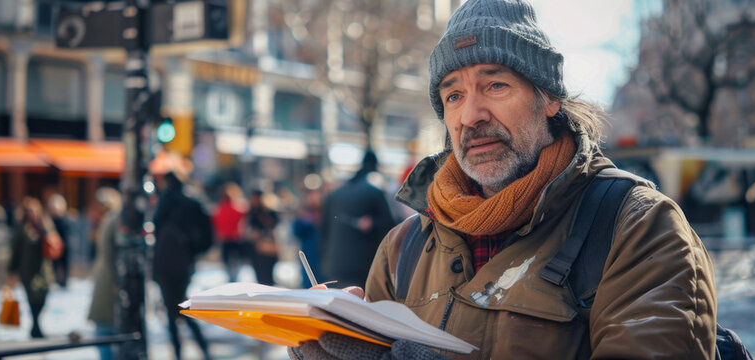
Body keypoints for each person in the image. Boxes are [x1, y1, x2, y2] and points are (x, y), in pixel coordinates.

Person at [290, 0, 717, 358]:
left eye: (495, 85)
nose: (470, 115)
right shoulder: (403, 248)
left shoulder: (637, 227)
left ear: (549, 98)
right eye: (453, 95)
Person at [151, 172, 211, 360]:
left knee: (174, 308)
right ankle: (201, 347)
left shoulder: (166, 202)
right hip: (184, 262)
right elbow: (205, 236)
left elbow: (155, 227)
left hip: (165, 262)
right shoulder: (192, 203)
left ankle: (180, 351)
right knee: (179, 305)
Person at [319, 150, 397, 288]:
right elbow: (390, 226)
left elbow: (324, 231)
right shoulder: (374, 193)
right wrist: (372, 223)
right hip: (362, 266)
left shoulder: (334, 195)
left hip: (335, 264)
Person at [5, 197, 59, 338]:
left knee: (43, 297)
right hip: (27, 270)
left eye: (33, 210)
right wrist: (12, 271)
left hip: (44, 270)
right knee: (32, 299)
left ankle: (36, 324)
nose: (31, 213)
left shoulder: (46, 225)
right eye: (28, 211)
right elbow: (15, 251)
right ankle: (35, 326)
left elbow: (54, 243)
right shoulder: (22, 228)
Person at [86, 187, 123, 360]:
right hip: (106, 280)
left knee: (104, 329)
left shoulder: (111, 221)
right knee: (106, 329)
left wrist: (115, 281)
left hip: (108, 282)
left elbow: (109, 256)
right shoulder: (110, 221)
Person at [212, 182, 248, 282]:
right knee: (236, 263)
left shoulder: (219, 209)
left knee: (228, 263)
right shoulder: (238, 208)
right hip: (236, 239)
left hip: (225, 239)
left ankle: (232, 279)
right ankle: (234, 279)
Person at [245, 189, 279, 285]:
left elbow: (275, 227)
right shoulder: (252, 212)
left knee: (268, 278)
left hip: (269, 249)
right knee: (260, 278)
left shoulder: (269, 212)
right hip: (256, 250)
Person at [292, 189, 323, 289]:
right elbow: (296, 231)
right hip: (308, 253)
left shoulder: (325, 212)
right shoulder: (304, 214)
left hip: (323, 255)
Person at [46, 193, 72, 288]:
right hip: (54, 246)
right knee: (54, 265)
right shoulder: (49, 220)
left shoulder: (65, 220)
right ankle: (55, 280)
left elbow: (67, 234)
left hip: (64, 245)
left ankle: (64, 282)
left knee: (64, 265)